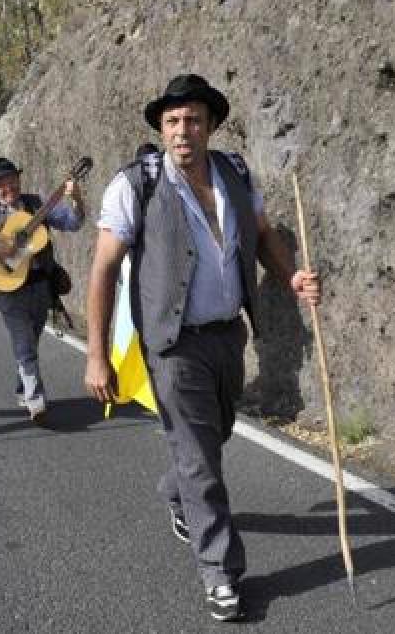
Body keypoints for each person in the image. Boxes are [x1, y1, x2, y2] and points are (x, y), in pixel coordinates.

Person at [83, 74, 320, 622]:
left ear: (210, 125)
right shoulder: (134, 185)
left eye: (192, 120)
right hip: (172, 346)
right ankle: (221, 573)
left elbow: (263, 235)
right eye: (171, 121)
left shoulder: (234, 173)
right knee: (200, 459)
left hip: (228, 335)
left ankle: (178, 493)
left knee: (213, 439)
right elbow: (102, 269)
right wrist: (96, 355)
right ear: (161, 129)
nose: (181, 130)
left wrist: (291, 277)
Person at [0, 157, 84, 425]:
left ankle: (22, 389)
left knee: (30, 342)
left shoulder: (37, 205)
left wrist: (77, 199)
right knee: (24, 343)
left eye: (11, 181)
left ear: (18, 180)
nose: (8, 188)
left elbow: (73, 223)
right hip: (8, 287)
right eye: (1, 184)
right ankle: (37, 403)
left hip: (40, 286)